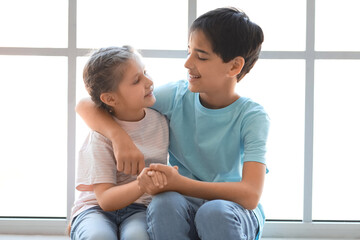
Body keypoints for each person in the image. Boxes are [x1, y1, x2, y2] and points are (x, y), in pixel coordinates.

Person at [76, 7, 270, 240]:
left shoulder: (252, 116)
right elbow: (87, 104)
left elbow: (249, 195)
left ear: (234, 66)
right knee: (163, 203)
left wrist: (180, 183)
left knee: (212, 212)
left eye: (201, 56)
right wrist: (119, 138)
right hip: (180, 204)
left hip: (230, 210)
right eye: (188, 52)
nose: (188, 63)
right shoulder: (177, 96)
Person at [69, 46, 170, 240]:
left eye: (145, 73)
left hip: (140, 208)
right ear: (110, 98)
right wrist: (142, 183)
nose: (149, 82)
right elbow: (105, 200)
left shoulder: (161, 121)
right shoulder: (100, 135)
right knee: (99, 237)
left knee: (137, 237)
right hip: (95, 209)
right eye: (136, 80)